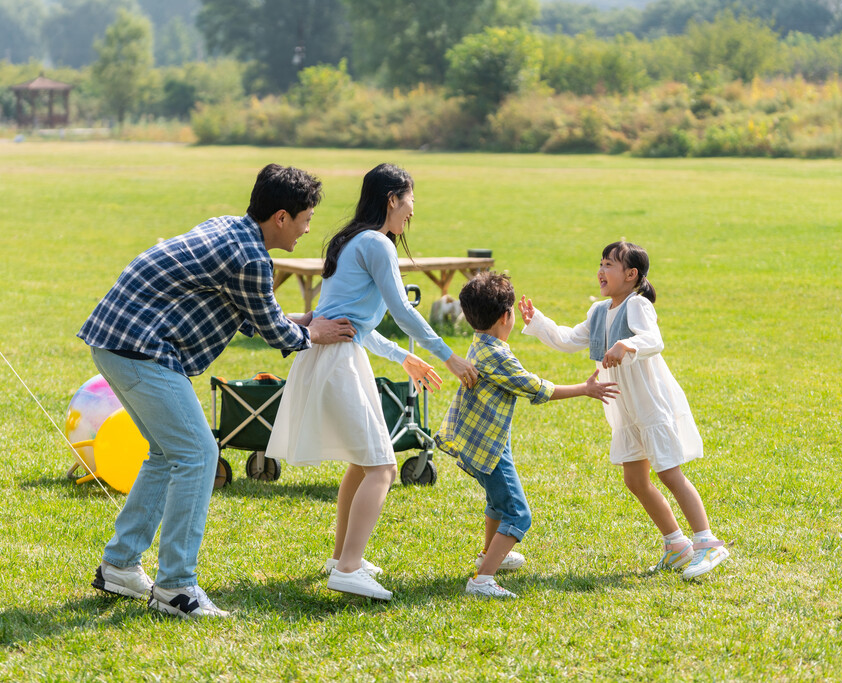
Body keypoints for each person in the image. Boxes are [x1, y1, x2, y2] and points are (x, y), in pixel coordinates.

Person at [79, 164, 356, 619]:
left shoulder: (231, 229)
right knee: (199, 454)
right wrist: (314, 333)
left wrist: (305, 322)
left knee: (169, 454)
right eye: (306, 218)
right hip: (140, 348)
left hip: (115, 340)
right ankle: (176, 589)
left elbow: (251, 312)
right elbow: (271, 329)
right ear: (282, 217)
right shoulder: (251, 258)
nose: (308, 229)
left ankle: (121, 565)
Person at [265, 163, 479, 602]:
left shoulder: (350, 240)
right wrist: (450, 356)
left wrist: (404, 358)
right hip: (339, 360)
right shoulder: (377, 243)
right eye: (411, 201)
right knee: (382, 466)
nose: (412, 212)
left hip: (334, 355)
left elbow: (355, 325)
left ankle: (345, 557)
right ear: (392, 199)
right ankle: (347, 569)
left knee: (363, 464)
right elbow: (402, 310)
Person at [520, 241, 729, 580]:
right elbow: (568, 339)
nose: (601, 271)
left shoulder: (638, 305)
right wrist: (539, 322)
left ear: (631, 275)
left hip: (648, 401)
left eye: (610, 265)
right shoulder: (599, 311)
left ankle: (707, 542)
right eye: (600, 263)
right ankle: (676, 546)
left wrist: (627, 344)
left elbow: (654, 339)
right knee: (635, 479)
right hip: (624, 407)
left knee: (668, 472)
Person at [435, 272, 619, 598]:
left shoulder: (481, 343)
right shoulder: (498, 356)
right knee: (518, 514)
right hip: (487, 446)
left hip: (486, 442)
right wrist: (585, 389)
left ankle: (487, 555)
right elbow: (535, 388)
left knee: (497, 503)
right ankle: (482, 580)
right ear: (506, 317)